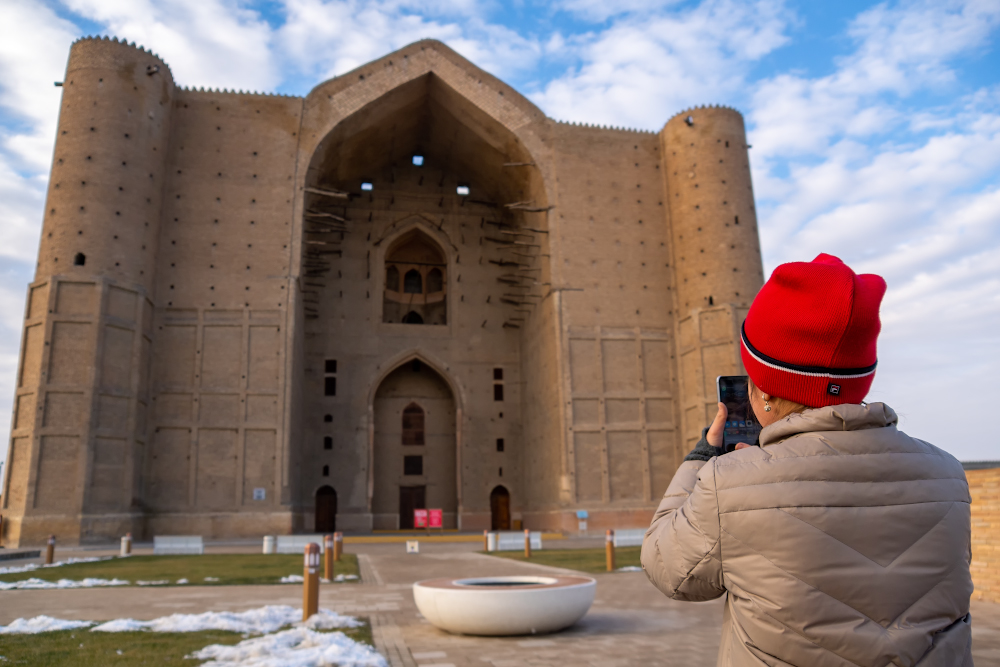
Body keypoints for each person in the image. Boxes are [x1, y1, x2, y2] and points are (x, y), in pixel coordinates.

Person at [641, 254, 973, 667]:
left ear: (763, 392)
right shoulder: (947, 474)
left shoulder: (729, 483)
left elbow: (668, 569)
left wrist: (703, 457)